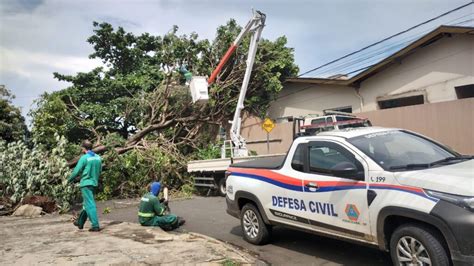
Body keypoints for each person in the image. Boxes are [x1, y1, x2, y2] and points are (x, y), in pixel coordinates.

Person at [68, 140, 102, 232]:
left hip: (86, 183)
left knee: (90, 204)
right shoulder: (98, 157)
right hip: (94, 183)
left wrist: (69, 180)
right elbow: (100, 171)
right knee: (86, 204)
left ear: (83, 148)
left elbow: (76, 171)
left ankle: (95, 225)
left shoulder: (84, 158)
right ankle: (80, 222)